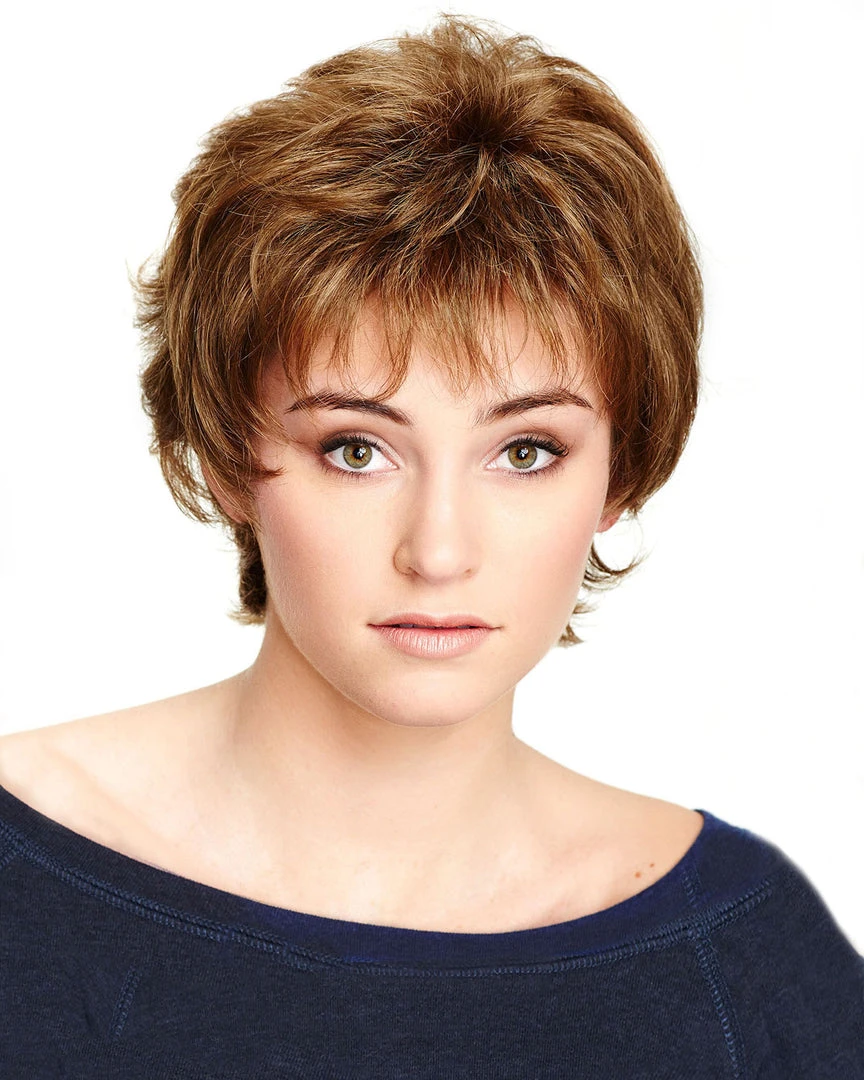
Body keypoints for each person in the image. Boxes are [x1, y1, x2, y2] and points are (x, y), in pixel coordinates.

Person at [0, 15, 860, 1077]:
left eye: (526, 451)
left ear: (620, 472)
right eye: (357, 449)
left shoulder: (742, 963)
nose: (439, 550)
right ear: (224, 453)